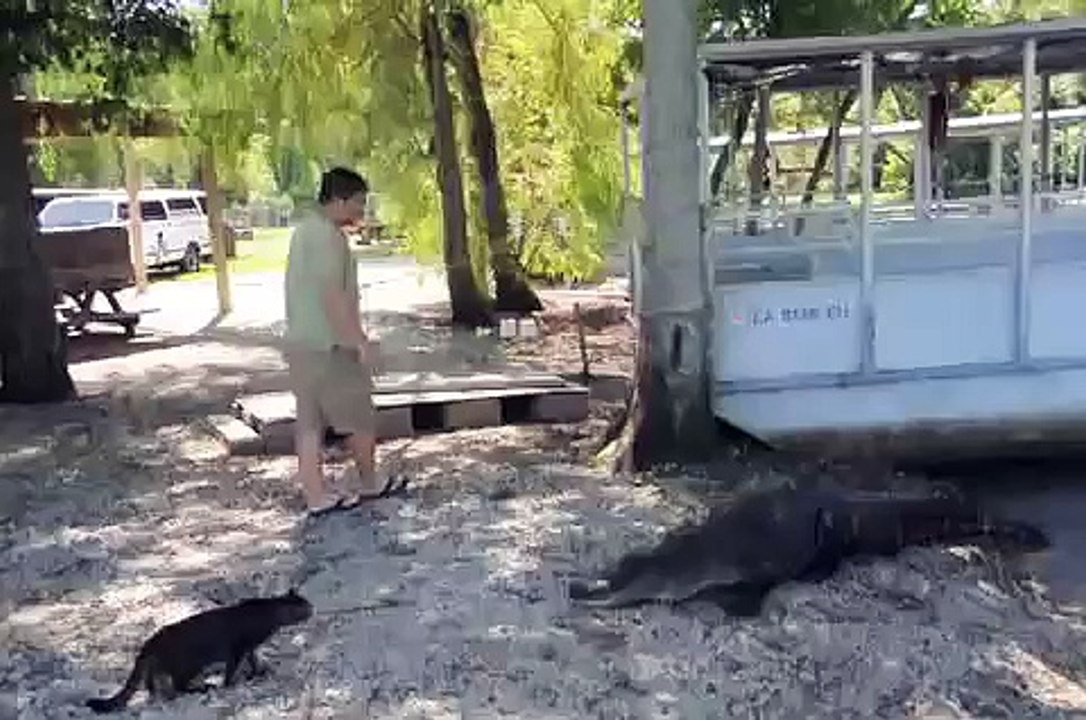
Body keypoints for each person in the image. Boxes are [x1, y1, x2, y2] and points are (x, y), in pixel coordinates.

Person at [282, 167, 408, 518]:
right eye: (357, 203)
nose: (361, 212)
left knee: (309, 423)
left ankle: (315, 495)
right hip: (329, 347)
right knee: (359, 417)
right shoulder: (329, 239)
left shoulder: (303, 231)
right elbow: (331, 295)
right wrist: (359, 341)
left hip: (300, 344)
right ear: (337, 200)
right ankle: (370, 482)